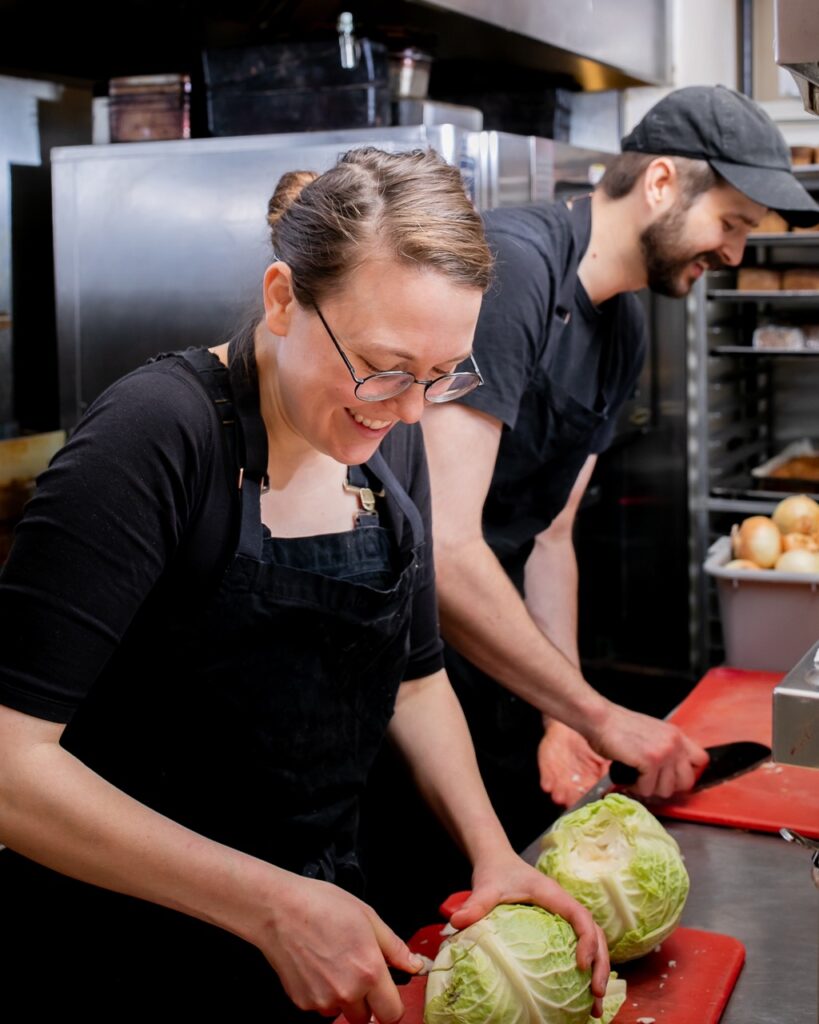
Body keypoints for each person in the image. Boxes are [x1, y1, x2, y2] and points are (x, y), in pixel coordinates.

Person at [0, 148, 610, 1021]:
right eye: (383, 364)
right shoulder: (155, 439)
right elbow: (10, 768)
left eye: (441, 376)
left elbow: (416, 675)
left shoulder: (385, 430)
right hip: (128, 954)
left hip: (323, 935)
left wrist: (492, 852)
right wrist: (271, 904)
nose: (407, 410)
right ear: (283, 299)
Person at [422, 85, 819, 837]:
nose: (734, 253)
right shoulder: (514, 269)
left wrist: (561, 713)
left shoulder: (624, 327)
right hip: (390, 657)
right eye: (729, 223)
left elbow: (551, 536)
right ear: (661, 181)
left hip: (487, 652)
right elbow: (443, 544)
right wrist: (593, 713)